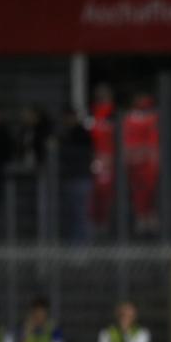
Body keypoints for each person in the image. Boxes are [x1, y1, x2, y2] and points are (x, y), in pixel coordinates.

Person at [123, 93, 160, 236]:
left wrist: (149, 155)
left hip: (147, 163)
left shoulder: (152, 119)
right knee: (137, 191)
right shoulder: (129, 119)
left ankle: (149, 218)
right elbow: (128, 144)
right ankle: (141, 218)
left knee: (150, 190)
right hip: (136, 163)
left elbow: (153, 145)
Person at [58, 107, 94, 244]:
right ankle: (74, 242)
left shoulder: (82, 134)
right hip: (70, 178)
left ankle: (81, 243)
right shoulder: (65, 134)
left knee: (80, 212)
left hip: (80, 177)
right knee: (71, 212)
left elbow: (84, 153)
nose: (67, 120)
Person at [89, 84, 116, 237]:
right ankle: (96, 225)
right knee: (95, 193)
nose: (101, 99)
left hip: (110, 162)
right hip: (96, 160)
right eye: (99, 96)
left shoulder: (113, 114)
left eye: (104, 96)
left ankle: (106, 226)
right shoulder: (92, 114)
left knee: (107, 193)